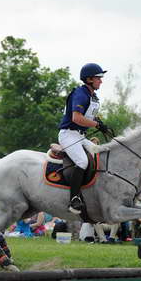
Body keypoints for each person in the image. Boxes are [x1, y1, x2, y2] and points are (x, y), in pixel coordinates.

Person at [57, 63, 109, 214]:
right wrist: (96, 125)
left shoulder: (91, 95)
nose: (101, 81)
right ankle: (74, 199)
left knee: (99, 153)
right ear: (89, 79)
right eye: (99, 78)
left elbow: (88, 115)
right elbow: (76, 117)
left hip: (80, 136)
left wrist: (99, 122)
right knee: (82, 161)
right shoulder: (80, 93)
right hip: (68, 134)